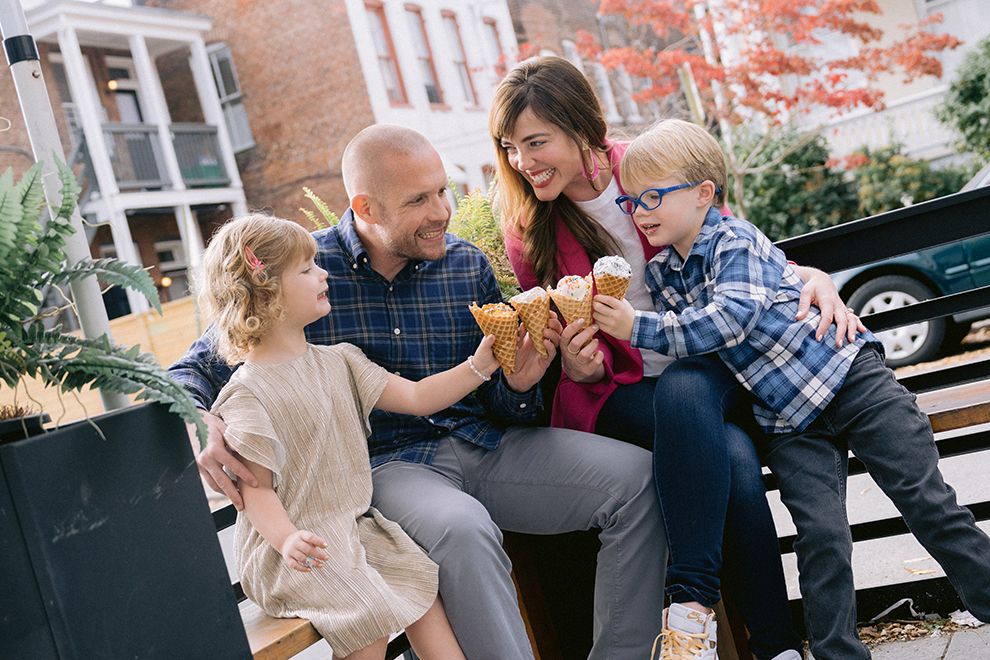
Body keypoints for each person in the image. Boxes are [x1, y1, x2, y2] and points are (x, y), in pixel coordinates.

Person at [170, 124, 667, 660]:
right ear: (366, 206)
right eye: (418, 200)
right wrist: (200, 421)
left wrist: (520, 384)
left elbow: (501, 397)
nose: (441, 212)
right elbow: (194, 368)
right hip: (390, 468)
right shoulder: (301, 273)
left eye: (441, 192)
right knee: (463, 528)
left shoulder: (465, 265)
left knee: (639, 482)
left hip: (484, 444)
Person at [489, 56, 860, 660]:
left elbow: (737, 248)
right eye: (509, 147)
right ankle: (774, 648)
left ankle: (689, 610)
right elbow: (565, 341)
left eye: (536, 142)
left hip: (711, 360)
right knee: (733, 455)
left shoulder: (649, 164)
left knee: (695, 394)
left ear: (582, 127)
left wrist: (812, 275)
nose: (522, 162)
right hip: (620, 388)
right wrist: (579, 365)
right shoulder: (529, 225)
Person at [594, 118, 990, 660]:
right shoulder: (664, 274)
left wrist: (633, 327)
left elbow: (727, 321)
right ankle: (837, 654)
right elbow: (696, 349)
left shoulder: (736, 240)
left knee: (927, 503)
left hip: (852, 382)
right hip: (790, 419)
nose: (641, 212)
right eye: (632, 202)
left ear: (704, 193)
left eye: (655, 197)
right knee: (820, 538)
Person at [199, 213, 492, 659]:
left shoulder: (341, 361)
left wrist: (481, 366)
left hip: (353, 531)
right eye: (306, 269)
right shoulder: (246, 394)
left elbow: (417, 397)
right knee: (367, 617)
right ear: (266, 291)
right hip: (292, 552)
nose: (324, 273)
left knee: (421, 587)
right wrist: (287, 539)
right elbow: (256, 491)